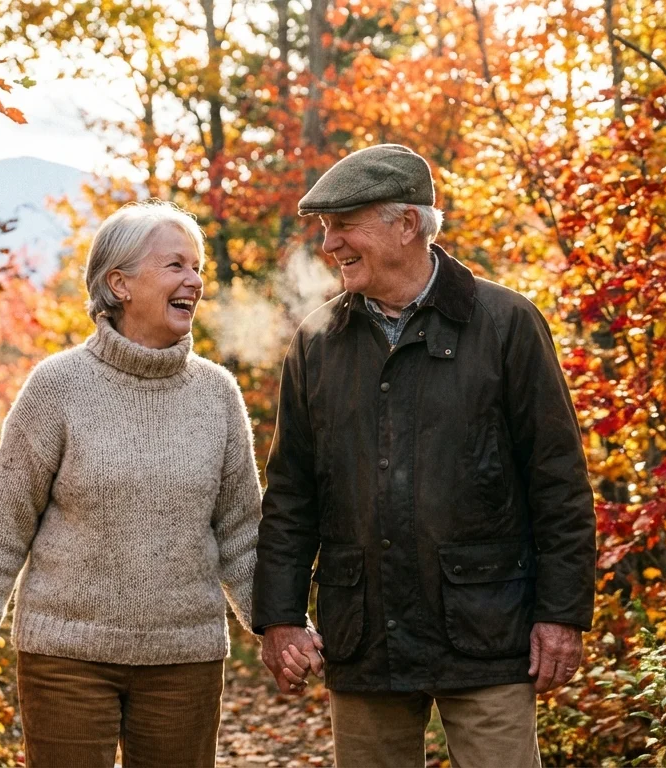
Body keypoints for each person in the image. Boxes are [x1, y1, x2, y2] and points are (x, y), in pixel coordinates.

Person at [253, 144, 597, 767]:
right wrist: (279, 616)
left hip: (487, 630)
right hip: (365, 635)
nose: (329, 245)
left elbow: (558, 483)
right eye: (326, 230)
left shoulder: (506, 323)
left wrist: (561, 612)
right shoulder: (316, 342)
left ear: (406, 224)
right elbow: (291, 495)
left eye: (344, 226)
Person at [0, 200, 270, 767]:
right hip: (65, 657)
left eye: (197, 268)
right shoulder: (57, 387)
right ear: (119, 283)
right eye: (175, 266)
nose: (194, 280)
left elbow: (242, 534)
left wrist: (277, 627)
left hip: (184, 659)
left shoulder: (216, 393)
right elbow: (1, 532)